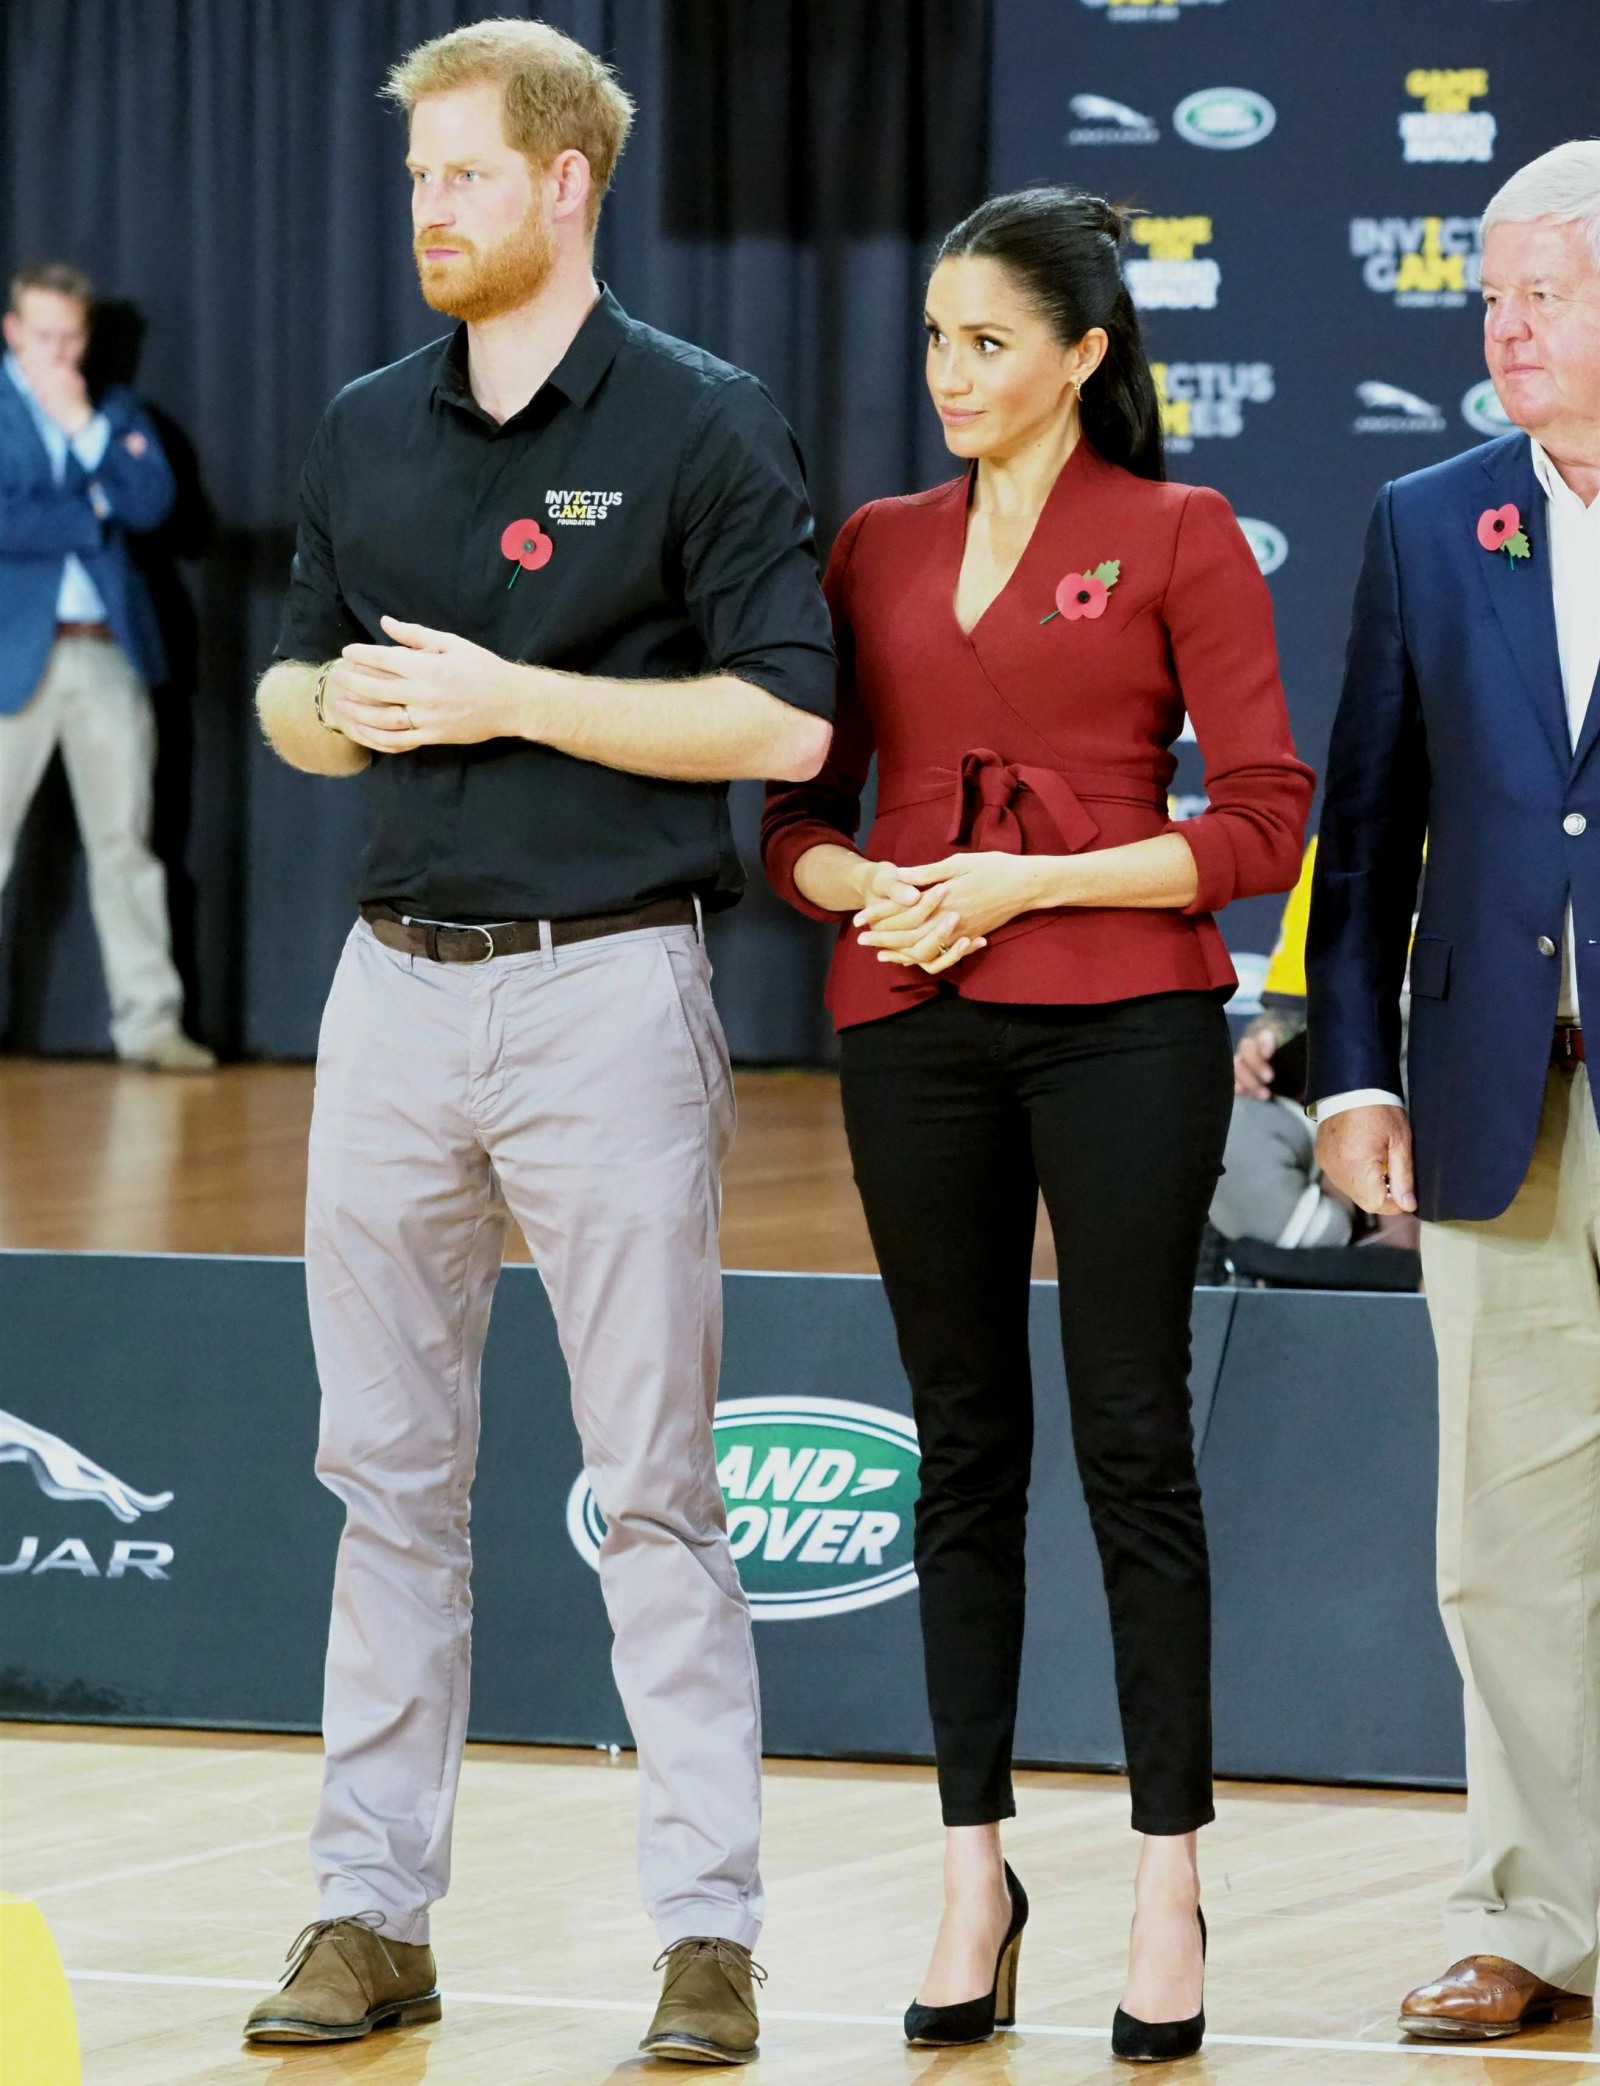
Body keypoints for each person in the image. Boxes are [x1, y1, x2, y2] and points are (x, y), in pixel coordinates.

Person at [242, 20, 833, 2061]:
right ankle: (364, 1907)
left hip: (606, 980)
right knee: (384, 1476)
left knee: (651, 1482)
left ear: (566, 183)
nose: (430, 208)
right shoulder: (362, 420)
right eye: (417, 179)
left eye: (465, 176)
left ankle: (704, 1933)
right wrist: (337, 711)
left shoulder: (700, 417)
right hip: (390, 985)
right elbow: (291, 692)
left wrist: (511, 695)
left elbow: (782, 724)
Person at [762, 188, 1312, 2062]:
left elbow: (1257, 824)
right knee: (962, 1451)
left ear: (1086, 356)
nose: (951, 375)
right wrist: (872, 888)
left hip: (1123, 1029)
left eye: (988, 342)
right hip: (905, 1020)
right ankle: (972, 1868)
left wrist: (1013, 885)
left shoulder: (1180, 533)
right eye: (935, 341)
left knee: (1133, 1441)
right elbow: (788, 816)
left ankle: (1168, 1881)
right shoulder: (872, 543)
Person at [1307, 141, 1600, 2043]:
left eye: (1544, 296)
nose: (1504, 330)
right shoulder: (1434, 517)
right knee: (1505, 1546)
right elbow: (1368, 817)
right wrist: (1349, 1077)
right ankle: (1533, 1917)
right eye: (1490, 298)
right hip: (1503, 1102)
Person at [0, 263, 214, 1072]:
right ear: (13, 329)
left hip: (105, 654)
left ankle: (150, 1023)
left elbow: (155, 503)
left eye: (71, 336)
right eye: (43, 334)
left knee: (126, 844)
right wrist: (92, 508)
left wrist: (86, 427)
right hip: (10, 657)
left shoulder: (113, 411)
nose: (58, 351)